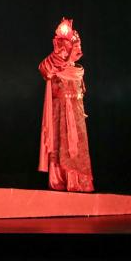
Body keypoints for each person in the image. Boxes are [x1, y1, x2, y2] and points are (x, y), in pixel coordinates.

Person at [38, 19, 94, 192]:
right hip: (59, 112)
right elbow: (44, 69)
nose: (76, 48)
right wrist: (62, 46)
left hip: (76, 114)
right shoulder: (52, 66)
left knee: (77, 144)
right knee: (59, 142)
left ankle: (77, 181)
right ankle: (60, 179)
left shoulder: (77, 71)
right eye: (73, 45)